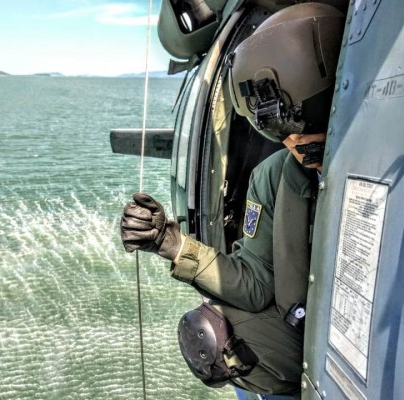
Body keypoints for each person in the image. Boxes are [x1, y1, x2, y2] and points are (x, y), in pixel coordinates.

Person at [121, 2, 344, 394]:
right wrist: (170, 243)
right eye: (279, 129)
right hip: (307, 336)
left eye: (304, 120)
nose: (294, 140)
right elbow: (256, 281)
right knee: (211, 334)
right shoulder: (274, 177)